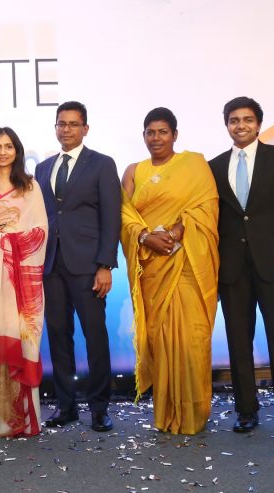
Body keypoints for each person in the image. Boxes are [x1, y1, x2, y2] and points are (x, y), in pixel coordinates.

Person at [208, 97, 274, 437]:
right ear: (227, 125)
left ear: (258, 123)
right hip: (232, 271)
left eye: (247, 119)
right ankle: (246, 410)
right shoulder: (214, 166)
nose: (241, 125)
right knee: (239, 343)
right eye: (234, 120)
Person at [120, 107, 219, 435]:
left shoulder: (194, 165)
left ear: (175, 135)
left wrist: (177, 231)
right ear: (143, 136)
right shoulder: (134, 171)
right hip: (152, 267)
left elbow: (206, 207)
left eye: (163, 132)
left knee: (191, 338)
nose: (156, 138)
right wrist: (145, 236)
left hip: (186, 262)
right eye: (150, 132)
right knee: (161, 341)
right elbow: (124, 214)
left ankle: (193, 412)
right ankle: (165, 413)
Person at [34, 101, 121, 432]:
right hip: (51, 264)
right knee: (58, 336)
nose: (66, 129)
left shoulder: (102, 164)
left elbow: (111, 217)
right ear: (55, 127)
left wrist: (105, 265)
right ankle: (66, 406)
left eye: (73, 124)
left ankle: (99, 408)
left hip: (88, 266)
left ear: (85, 128)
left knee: (95, 336)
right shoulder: (43, 168)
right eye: (61, 124)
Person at [0, 127, 48, 438]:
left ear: (17, 150)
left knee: (21, 337)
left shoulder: (30, 187)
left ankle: (25, 419)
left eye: (8, 146)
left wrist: (7, 238)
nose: (2, 152)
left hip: (21, 280)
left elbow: (40, 231)